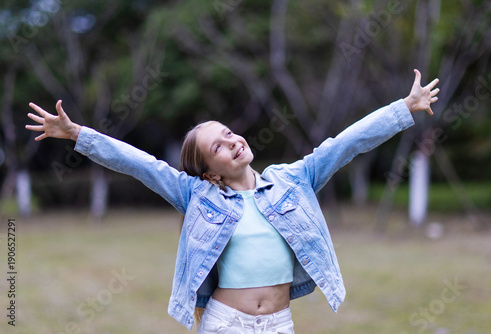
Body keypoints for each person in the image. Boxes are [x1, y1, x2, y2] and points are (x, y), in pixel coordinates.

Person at [26, 69, 439, 333]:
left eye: (229, 133)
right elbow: (141, 164)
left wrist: (403, 108)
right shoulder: (196, 195)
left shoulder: (293, 180)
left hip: (279, 323)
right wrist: (79, 133)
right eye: (218, 147)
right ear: (210, 171)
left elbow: (346, 144)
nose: (232, 142)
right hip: (226, 324)